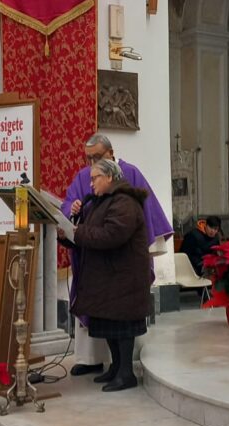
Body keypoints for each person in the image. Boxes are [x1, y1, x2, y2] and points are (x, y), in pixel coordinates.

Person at [62, 133, 172, 375]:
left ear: (110, 155)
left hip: (120, 266)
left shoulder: (128, 180)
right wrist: (72, 209)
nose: (91, 166)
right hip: (99, 264)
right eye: (88, 158)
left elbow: (114, 232)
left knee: (120, 321)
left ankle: (121, 368)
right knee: (105, 317)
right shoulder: (85, 177)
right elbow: (69, 203)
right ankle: (93, 359)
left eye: (97, 158)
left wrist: (79, 233)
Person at [67, 158, 151, 391]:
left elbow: (111, 235)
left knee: (122, 327)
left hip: (124, 279)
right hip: (110, 279)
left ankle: (126, 373)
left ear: (110, 177)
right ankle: (116, 368)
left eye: (95, 178)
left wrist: (78, 232)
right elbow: (90, 232)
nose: (91, 183)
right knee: (111, 325)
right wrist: (70, 230)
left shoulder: (124, 202)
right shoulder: (101, 202)